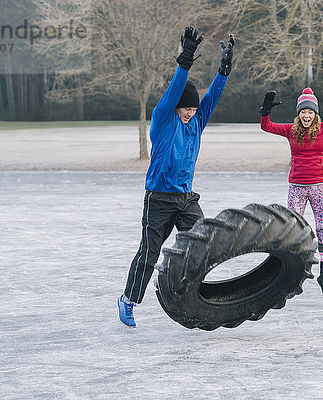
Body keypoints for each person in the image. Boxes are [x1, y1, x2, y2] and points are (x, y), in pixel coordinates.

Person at [118, 26, 235, 327]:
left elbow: (211, 99)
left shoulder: (196, 122)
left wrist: (224, 70)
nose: (189, 112)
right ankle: (128, 300)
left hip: (185, 199)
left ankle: (194, 296)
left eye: (193, 108)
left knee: (203, 242)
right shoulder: (163, 120)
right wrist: (185, 61)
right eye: (185, 108)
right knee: (149, 253)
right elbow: (172, 94)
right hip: (158, 199)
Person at [259, 87, 323, 299]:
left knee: (322, 228)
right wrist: (265, 110)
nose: (306, 115)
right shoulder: (290, 131)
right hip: (297, 187)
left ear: (315, 114)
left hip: (319, 186)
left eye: (310, 112)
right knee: (294, 231)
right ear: (298, 113)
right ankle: (293, 276)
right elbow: (266, 126)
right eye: (303, 112)